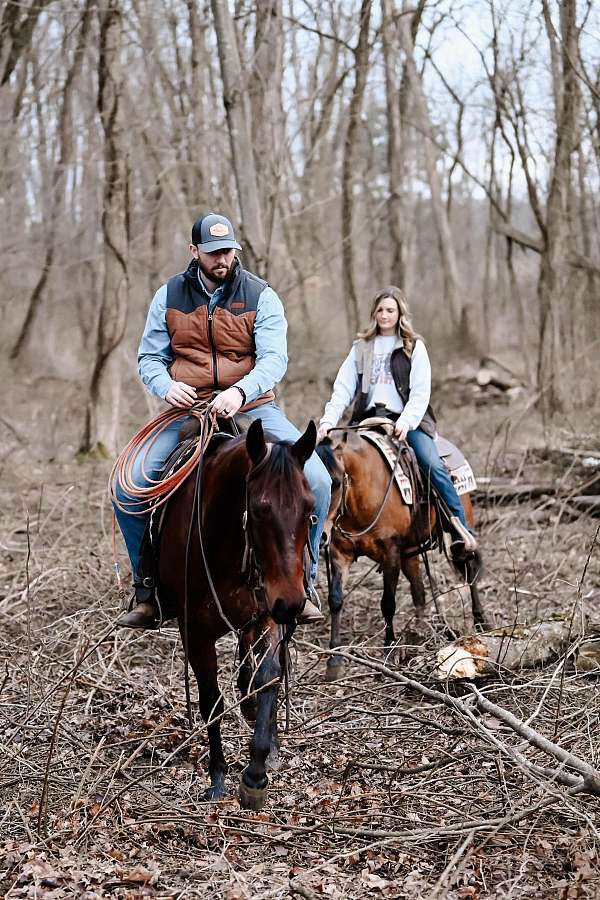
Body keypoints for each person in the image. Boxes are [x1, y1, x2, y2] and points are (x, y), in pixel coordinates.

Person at [114, 212, 330, 628]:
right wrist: (165, 386)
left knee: (318, 480)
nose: (222, 259)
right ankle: (149, 590)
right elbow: (149, 358)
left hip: (252, 406)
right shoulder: (169, 295)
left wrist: (239, 392)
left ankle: (306, 583)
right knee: (130, 488)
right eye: (213, 252)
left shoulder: (261, 295)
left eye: (228, 250)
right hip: (187, 407)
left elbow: (273, 360)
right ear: (194, 252)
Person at [317, 286, 477, 550]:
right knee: (330, 462)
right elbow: (343, 389)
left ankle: (459, 527)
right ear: (373, 314)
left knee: (431, 463)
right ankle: (328, 529)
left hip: (405, 421)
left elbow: (420, 392)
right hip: (367, 420)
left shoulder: (414, 347)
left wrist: (406, 422)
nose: (384, 315)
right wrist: (327, 422)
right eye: (380, 310)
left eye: (390, 310)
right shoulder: (362, 348)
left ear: (400, 312)